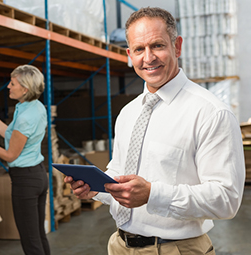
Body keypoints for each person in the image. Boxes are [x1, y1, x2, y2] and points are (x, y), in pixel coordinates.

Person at [65, 7, 245, 255]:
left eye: (157, 46)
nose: (148, 58)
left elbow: (227, 199)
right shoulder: (128, 113)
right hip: (120, 246)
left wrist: (153, 194)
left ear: (177, 46)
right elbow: (120, 173)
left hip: (176, 249)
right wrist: (97, 188)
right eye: (139, 49)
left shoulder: (211, 113)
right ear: (129, 54)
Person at [0, 64, 50, 255]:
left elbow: (10, 155)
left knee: (30, 241)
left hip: (25, 180)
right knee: (37, 235)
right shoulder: (33, 107)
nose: (8, 87)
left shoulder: (26, 117)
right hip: (37, 174)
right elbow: (10, 134)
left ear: (25, 89)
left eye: (12, 83)